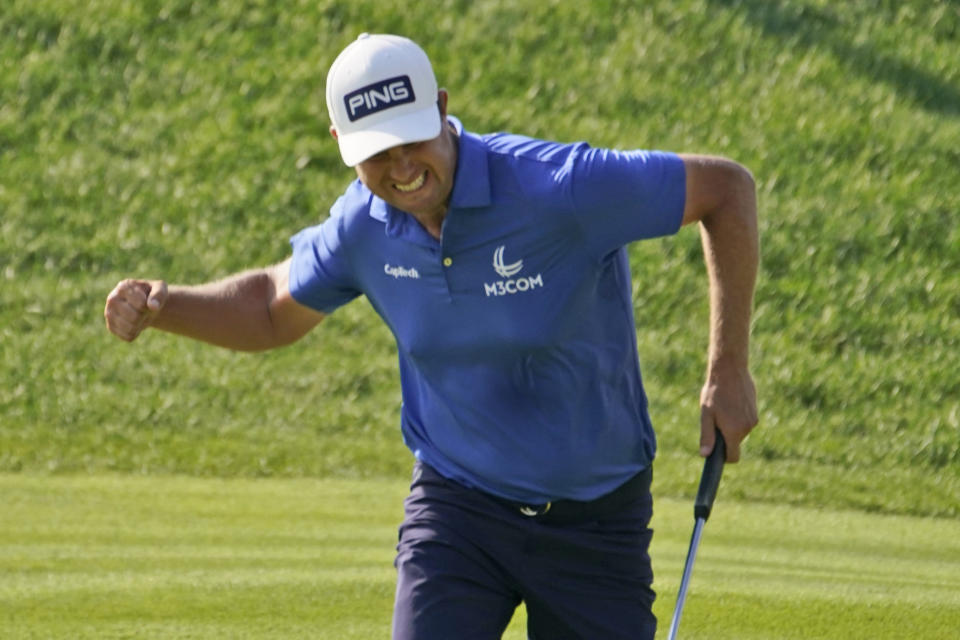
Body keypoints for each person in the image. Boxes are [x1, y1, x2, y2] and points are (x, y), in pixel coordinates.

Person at [104, 33, 758, 640]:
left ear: (442, 108)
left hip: (595, 519)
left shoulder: (560, 187)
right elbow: (273, 308)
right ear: (340, 142)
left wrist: (728, 369)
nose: (402, 167)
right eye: (375, 154)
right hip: (459, 511)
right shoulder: (362, 227)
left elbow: (726, 190)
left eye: (414, 138)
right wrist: (167, 306)